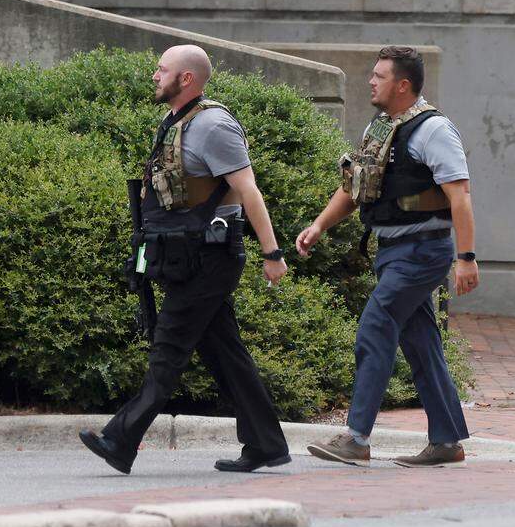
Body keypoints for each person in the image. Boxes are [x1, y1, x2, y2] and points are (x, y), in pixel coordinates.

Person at [78, 44, 291, 474]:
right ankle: (266, 444)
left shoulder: (214, 125)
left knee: (169, 347)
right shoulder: (173, 121)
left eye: (162, 69)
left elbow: (248, 190)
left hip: (210, 257)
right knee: (226, 354)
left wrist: (273, 253)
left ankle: (121, 438)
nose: (155, 75)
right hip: (182, 255)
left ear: (186, 78)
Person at [297, 45, 479, 468]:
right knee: (421, 343)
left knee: (376, 326)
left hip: (423, 250)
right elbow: (355, 186)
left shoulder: (435, 130)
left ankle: (357, 437)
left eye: (378, 76)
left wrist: (465, 257)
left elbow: (460, 196)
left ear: (402, 85)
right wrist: (320, 225)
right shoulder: (381, 127)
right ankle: (447, 441)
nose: (370, 81)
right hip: (393, 251)